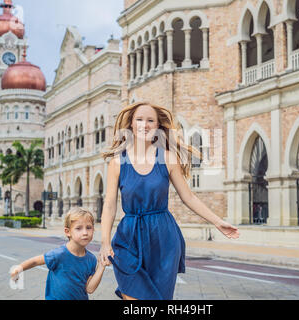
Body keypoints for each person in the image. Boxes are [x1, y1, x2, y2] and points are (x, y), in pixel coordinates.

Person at [99, 102, 240, 300]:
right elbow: (110, 205)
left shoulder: (167, 158)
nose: (144, 124)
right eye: (139, 119)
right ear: (130, 124)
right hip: (128, 238)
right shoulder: (117, 162)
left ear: (158, 127)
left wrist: (218, 222)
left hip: (163, 238)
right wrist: (105, 243)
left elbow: (188, 197)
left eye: (150, 120)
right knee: (131, 294)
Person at [10, 207, 105, 300]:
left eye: (88, 228)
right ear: (68, 232)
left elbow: (90, 289)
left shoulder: (91, 259)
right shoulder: (59, 254)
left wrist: (101, 266)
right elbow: (35, 261)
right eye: (78, 228)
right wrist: (18, 269)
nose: (85, 232)